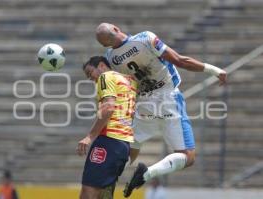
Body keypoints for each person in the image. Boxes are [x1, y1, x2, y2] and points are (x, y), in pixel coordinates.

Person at [95, 22, 227, 197]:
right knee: (187, 156)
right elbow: (180, 61)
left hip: (142, 104)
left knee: (132, 146)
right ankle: (147, 173)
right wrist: (214, 70)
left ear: (105, 44)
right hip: (168, 98)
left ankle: (109, 178)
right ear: (116, 28)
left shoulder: (110, 57)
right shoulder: (145, 38)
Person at [77, 56, 138, 199]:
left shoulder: (106, 76)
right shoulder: (130, 81)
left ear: (102, 65)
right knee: (104, 195)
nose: (89, 78)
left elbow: (109, 107)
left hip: (108, 141)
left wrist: (89, 136)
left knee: (88, 193)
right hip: (123, 145)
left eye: (90, 72)